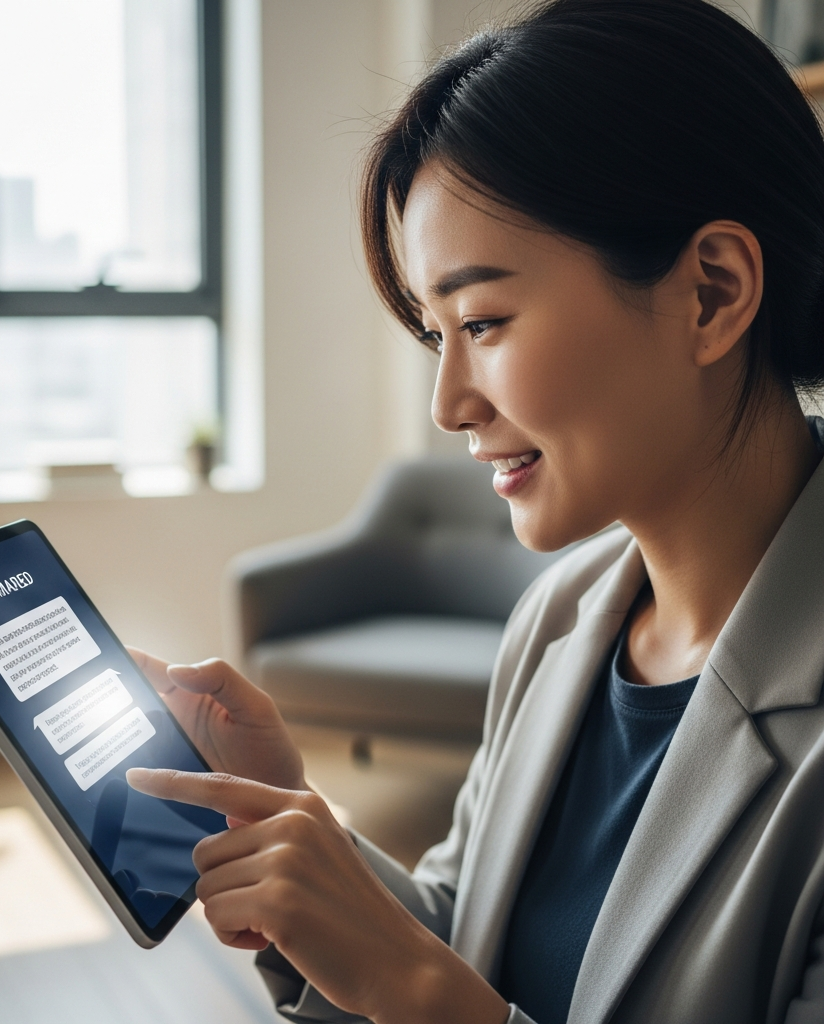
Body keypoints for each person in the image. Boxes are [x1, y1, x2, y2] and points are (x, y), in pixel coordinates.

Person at [125, 1, 824, 1020]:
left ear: (712, 291)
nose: (448, 404)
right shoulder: (563, 617)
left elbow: (436, 982)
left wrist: (415, 990)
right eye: (433, 332)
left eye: (484, 321)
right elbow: (471, 933)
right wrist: (292, 828)